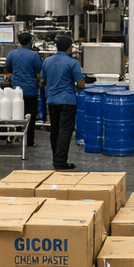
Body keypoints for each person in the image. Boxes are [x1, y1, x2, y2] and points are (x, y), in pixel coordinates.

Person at [42, 34, 86, 170]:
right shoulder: (72, 63)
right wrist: (76, 88)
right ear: (69, 48)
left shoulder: (47, 61)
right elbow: (81, 83)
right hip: (67, 100)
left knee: (55, 130)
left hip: (51, 100)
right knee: (65, 131)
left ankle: (56, 158)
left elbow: (42, 81)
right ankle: (60, 161)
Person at [4, 31, 44, 148]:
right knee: (30, 115)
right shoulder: (34, 55)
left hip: (16, 89)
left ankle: (14, 136)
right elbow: (38, 72)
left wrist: (9, 80)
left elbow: (7, 70)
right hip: (30, 89)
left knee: (15, 113)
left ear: (18, 42)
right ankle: (29, 141)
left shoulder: (12, 54)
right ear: (31, 41)